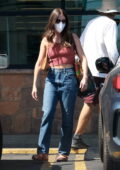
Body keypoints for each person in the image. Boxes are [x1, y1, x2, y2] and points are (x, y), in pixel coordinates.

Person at [31, 8, 88, 162]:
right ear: (52, 21)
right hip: (52, 78)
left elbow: (83, 58)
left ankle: (63, 152)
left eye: (63, 21)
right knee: (47, 114)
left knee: (67, 117)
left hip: (69, 77)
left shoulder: (72, 36)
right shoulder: (46, 40)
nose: (61, 23)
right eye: (58, 21)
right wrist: (34, 85)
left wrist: (85, 77)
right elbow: (38, 63)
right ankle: (42, 152)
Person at [71, 3, 120, 149]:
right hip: (102, 69)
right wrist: (117, 64)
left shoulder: (92, 22)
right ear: (113, 13)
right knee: (101, 103)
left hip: (88, 69)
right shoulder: (111, 24)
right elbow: (111, 48)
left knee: (91, 102)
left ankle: (80, 137)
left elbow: (81, 43)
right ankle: (104, 138)